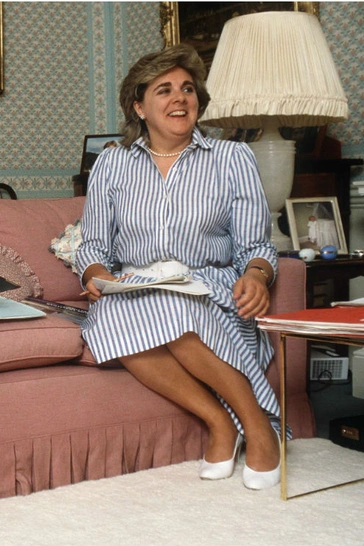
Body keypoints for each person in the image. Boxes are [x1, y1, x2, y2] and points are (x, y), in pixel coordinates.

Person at [75, 44, 282, 490]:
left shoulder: (232, 158)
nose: (180, 98)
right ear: (139, 106)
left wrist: (257, 275)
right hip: (135, 288)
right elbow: (93, 245)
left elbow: (255, 245)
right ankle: (220, 422)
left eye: (187, 89)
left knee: (170, 302)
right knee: (107, 316)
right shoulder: (112, 162)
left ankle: (258, 426)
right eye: (164, 90)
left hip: (206, 286)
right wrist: (95, 274)